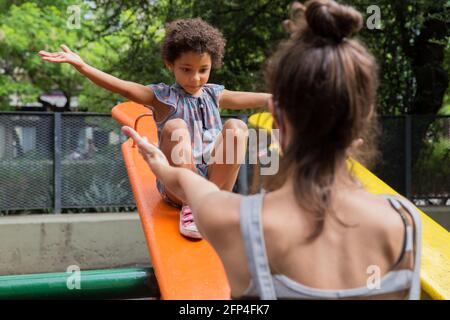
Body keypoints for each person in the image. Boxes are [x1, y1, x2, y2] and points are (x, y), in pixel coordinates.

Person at [121, 0, 422, 300]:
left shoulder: (236, 221)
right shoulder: (406, 222)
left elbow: (187, 184)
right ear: (364, 122)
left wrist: (160, 165)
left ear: (277, 121)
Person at [39, 18, 271, 239]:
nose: (196, 78)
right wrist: (83, 67)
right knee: (176, 126)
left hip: (212, 184)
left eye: (203, 69)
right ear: (170, 64)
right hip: (178, 186)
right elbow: (126, 89)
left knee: (237, 127)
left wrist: (280, 96)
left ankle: (217, 203)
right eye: (186, 69)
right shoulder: (163, 97)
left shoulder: (213, 93)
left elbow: (251, 98)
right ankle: (192, 208)